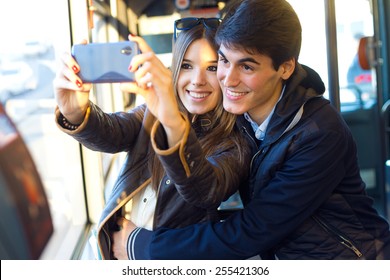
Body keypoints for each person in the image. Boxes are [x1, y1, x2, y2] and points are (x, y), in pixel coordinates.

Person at [116, 0, 390, 260]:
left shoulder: (318, 133)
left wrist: (143, 246)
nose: (228, 80)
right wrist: (76, 112)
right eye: (223, 61)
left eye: (246, 66)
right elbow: (202, 184)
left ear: (285, 68)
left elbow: (252, 230)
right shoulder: (239, 115)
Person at [53, 18, 251, 259]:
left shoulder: (236, 142)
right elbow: (112, 133)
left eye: (211, 68)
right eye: (187, 66)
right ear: (174, 69)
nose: (198, 80)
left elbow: (205, 190)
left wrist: (171, 120)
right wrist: (74, 111)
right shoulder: (151, 113)